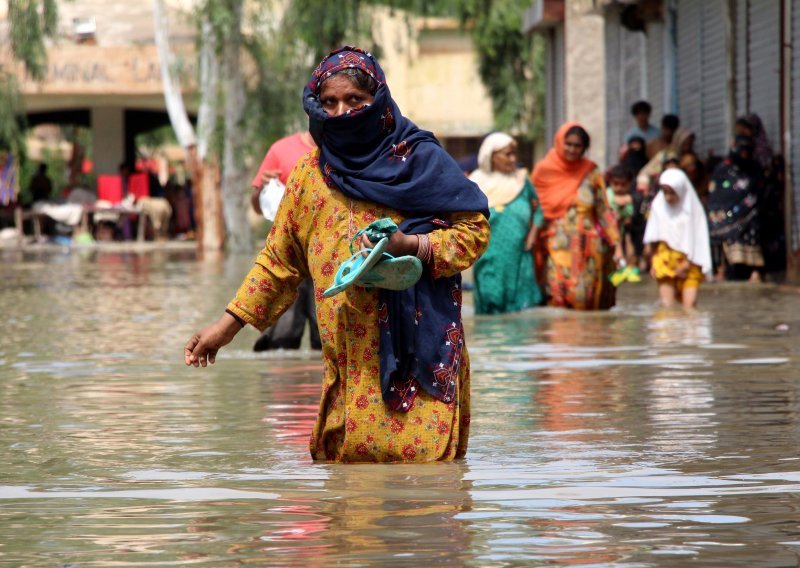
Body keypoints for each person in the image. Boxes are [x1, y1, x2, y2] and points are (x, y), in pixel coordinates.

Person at [184, 46, 490, 463]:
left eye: (355, 101)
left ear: (377, 101)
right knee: (349, 490)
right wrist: (226, 327)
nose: (342, 112)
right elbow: (278, 262)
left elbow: (473, 231)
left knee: (425, 498)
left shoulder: (418, 159)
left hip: (418, 356)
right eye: (329, 103)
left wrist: (411, 245)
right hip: (347, 359)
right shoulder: (310, 175)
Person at [531, 122, 622, 310]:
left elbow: (603, 210)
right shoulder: (544, 170)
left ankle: (583, 339)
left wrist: (617, 243)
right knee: (556, 296)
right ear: (560, 142)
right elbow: (534, 208)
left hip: (587, 249)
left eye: (577, 146)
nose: (572, 149)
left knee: (584, 300)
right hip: (555, 245)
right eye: (568, 144)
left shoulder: (591, 172)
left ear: (584, 148)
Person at [249, 131, 321, 351]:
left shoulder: (348, 149)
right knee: (282, 338)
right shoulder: (280, 149)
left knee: (330, 339)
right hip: (289, 254)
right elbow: (257, 206)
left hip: (329, 256)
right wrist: (261, 189)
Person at [469, 132, 543, 313]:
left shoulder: (522, 180)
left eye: (514, 154)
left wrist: (532, 237)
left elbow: (539, 210)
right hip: (489, 253)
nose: (513, 159)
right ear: (491, 156)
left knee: (520, 305)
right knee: (490, 298)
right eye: (507, 154)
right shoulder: (476, 182)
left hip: (519, 252)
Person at [644, 168, 711, 309]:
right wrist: (652, 262)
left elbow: (699, 240)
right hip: (665, 261)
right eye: (665, 192)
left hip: (690, 263)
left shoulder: (694, 209)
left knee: (690, 306)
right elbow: (653, 237)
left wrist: (687, 263)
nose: (668, 197)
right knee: (666, 307)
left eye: (672, 193)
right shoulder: (658, 206)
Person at [708, 135, 765, 283]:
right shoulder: (722, 169)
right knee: (718, 229)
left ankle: (754, 271)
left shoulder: (754, 169)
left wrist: (744, 207)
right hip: (724, 214)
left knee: (752, 226)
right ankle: (722, 269)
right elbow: (716, 194)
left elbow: (757, 191)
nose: (744, 155)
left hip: (748, 212)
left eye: (747, 152)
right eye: (742, 151)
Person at [607, 164, 645, 268]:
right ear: (610, 182)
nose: (619, 188)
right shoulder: (607, 195)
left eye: (623, 184)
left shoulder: (634, 198)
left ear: (629, 184)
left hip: (627, 234)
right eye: (616, 184)